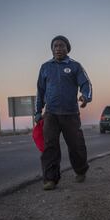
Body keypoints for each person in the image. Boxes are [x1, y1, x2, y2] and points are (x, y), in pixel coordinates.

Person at [35, 35, 92, 190]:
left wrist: (86, 97)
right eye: (55, 46)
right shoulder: (45, 67)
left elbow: (86, 84)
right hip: (51, 114)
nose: (58, 48)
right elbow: (40, 91)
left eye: (61, 46)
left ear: (67, 48)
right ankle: (50, 179)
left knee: (76, 145)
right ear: (52, 49)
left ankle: (81, 171)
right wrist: (37, 111)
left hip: (71, 113)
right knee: (50, 147)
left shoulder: (75, 66)